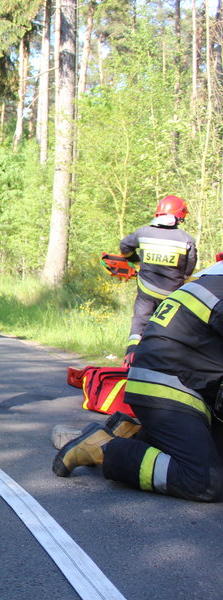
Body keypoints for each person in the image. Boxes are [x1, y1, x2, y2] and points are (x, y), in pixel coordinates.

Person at [52, 260, 223, 502]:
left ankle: (134, 435)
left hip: (174, 384)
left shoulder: (212, 281)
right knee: (204, 480)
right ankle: (104, 449)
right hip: (171, 390)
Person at [119, 195, 197, 363]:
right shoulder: (186, 240)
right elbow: (189, 268)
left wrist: (136, 262)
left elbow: (124, 246)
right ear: (178, 217)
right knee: (169, 328)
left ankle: (130, 357)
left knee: (140, 322)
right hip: (172, 294)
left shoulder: (143, 233)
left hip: (147, 290)